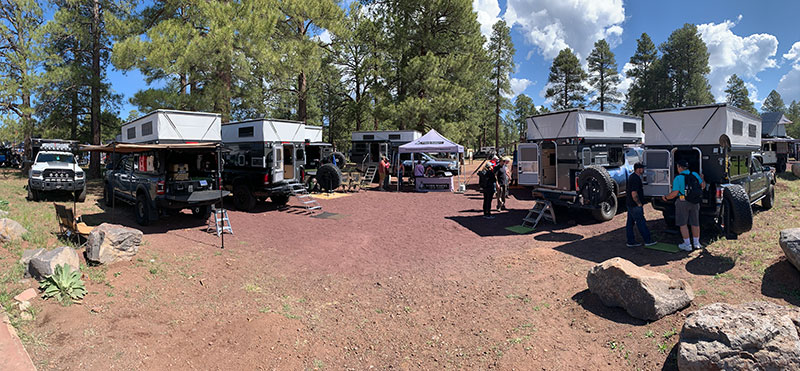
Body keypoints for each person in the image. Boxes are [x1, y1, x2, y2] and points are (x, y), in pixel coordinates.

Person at [661, 160, 705, 251]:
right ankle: (697, 243)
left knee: (683, 223)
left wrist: (666, 197)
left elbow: (675, 193)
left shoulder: (678, 178)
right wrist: (702, 178)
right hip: (695, 201)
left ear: (680, 167)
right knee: (695, 222)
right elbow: (703, 186)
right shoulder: (695, 174)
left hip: (682, 201)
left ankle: (687, 244)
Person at [626, 163, 656, 247]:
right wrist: (639, 203)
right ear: (638, 169)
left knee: (630, 223)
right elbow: (634, 193)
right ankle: (648, 240)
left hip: (630, 204)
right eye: (642, 169)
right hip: (635, 205)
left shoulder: (632, 177)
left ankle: (630, 241)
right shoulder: (636, 179)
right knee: (641, 222)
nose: (643, 170)